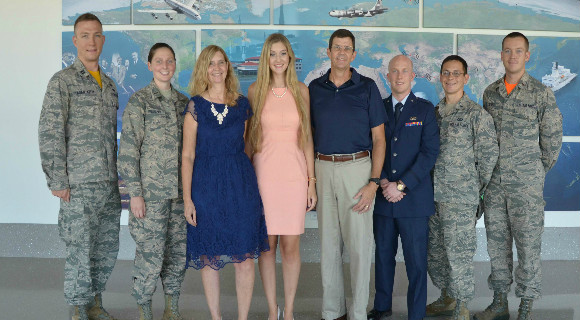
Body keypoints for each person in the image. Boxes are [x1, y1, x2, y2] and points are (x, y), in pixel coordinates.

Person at [474, 32, 563, 320]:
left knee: (527, 247)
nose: (512, 56)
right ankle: (500, 301)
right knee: (497, 245)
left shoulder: (540, 93)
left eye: (518, 51)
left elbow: (552, 142)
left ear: (527, 55)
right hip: (496, 186)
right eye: (507, 51)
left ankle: (526, 304)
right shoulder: (490, 93)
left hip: (526, 187)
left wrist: (533, 172)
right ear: (501, 55)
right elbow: (484, 140)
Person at [38, 13, 121, 320]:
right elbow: (50, 132)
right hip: (78, 184)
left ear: (103, 40)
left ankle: (94, 304)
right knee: (79, 250)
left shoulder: (110, 86)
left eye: (96, 35)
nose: (91, 41)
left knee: (105, 249)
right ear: (75, 41)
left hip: (108, 185)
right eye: (84, 35)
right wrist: (57, 179)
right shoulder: (63, 82)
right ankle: (77, 309)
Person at [181, 45, 269, 320]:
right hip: (206, 187)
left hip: (240, 186)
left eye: (221, 62)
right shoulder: (195, 106)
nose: (217, 68)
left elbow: (247, 147)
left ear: (228, 67)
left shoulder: (242, 104)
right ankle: (216, 317)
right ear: (203, 69)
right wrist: (187, 200)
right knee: (210, 257)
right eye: (211, 63)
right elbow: (187, 155)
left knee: (245, 258)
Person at [309, 29, 387, 320]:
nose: (341, 53)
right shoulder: (314, 89)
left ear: (354, 55)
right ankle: (331, 312)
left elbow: (379, 139)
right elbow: (307, 135)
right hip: (323, 167)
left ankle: (357, 314)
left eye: (347, 49)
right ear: (327, 52)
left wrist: (373, 183)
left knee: (358, 248)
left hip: (358, 170)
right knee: (328, 247)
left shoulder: (367, 88)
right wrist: (312, 180)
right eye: (336, 48)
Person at [246, 33, 317, 320]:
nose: (278, 59)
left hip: (295, 176)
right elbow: (250, 141)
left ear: (290, 58)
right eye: (272, 54)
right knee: (266, 248)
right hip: (264, 176)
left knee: (290, 247)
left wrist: (312, 182)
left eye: (283, 53)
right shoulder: (254, 91)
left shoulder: (302, 90)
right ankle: (271, 310)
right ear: (266, 58)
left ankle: (289, 311)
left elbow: (307, 137)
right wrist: (245, 181)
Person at [118, 43, 190, 320]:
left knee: (176, 256)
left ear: (175, 65)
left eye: (169, 61)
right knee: (150, 257)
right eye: (158, 61)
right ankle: (144, 309)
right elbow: (127, 152)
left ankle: (172, 308)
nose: (164, 66)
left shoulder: (184, 104)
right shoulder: (140, 102)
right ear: (149, 65)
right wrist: (135, 193)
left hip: (179, 196)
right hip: (150, 197)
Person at [425, 55, 498, 320]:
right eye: (446, 73)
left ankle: (462, 306)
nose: (451, 78)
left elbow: (488, 156)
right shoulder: (433, 112)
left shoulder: (476, 115)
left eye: (456, 73)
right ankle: (446, 296)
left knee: (459, 254)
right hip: (432, 197)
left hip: (460, 199)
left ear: (466, 78)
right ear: (441, 77)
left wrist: (473, 190)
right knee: (436, 253)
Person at [369, 54, 439, 320]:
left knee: (416, 264)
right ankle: (382, 308)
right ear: (388, 77)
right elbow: (372, 145)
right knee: (383, 259)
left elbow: (429, 153)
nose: (399, 76)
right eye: (394, 72)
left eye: (404, 71)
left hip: (414, 201)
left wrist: (401, 184)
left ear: (413, 76)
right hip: (384, 199)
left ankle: (416, 314)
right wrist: (385, 180)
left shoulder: (425, 110)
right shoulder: (378, 107)